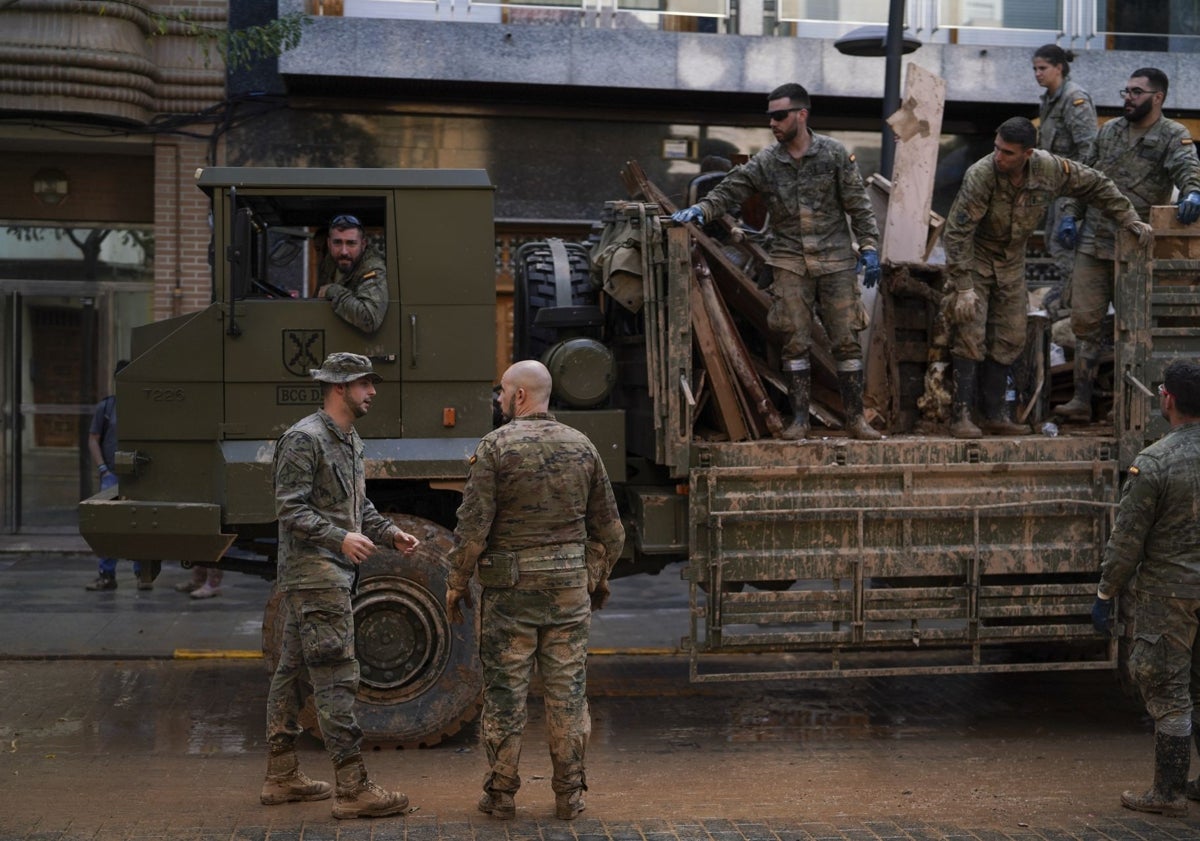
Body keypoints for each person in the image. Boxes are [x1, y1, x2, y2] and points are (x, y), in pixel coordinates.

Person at [445, 360, 624, 822]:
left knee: (506, 693)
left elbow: (474, 528)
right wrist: (595, 575)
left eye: (503, 392)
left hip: (511, 593)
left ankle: (501, 794)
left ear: (519, 396)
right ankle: (570, 795)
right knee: (567, 692)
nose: (499, 399)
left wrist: (457, 582)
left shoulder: (495, 447)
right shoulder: (582, 446)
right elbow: (611, 530)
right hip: (568, 591)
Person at [670, 82, 883, 441]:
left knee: (846, 341)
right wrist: (700, 210)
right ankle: (799, 420)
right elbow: (729, 190)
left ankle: (856, 420)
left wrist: (869, 247)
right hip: (789, 262)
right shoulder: (767, 161)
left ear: (802, 115)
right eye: (769, 117)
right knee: (794, 341)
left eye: (779, 116)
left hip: (835, 261)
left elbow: (858, 205)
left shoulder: (833, 154)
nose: (773, 123)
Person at [264, 352, 420, 819]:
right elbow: (289, 509)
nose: (372, 391)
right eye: (363, 384)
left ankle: (281, 775)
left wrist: (388, 532)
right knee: (336, 675)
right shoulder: (303, 439)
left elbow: (355, 505)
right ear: (338, 388)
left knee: (292, 671)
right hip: (315, 574)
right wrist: (340, 538)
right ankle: (352, 788)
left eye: (371, 383)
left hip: (327, 573)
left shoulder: (349, 439)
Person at [941, 116, 1151, 439]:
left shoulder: (1050, 169)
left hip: (1012, 260)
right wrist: (963, 286)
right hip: (976, 258)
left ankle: (996, 413)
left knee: (1011, 335)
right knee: (969, 331)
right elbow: (956, 233)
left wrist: (1128, 218)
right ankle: (962, 416)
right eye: (996, 148)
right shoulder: (981, 174)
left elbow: (1096, 184)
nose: (999, 157)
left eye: (1007, 153)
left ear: (1028, 153)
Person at [1053, 68, 1200, 422]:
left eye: (1136, 92)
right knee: (1085, 322)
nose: (1128, 97)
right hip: (1094, 240)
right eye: (1126, 90)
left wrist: (1193, 191)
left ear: (1157, 97)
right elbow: (1084, 176)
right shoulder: (1110, 132)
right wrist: (1070, 214)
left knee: (1134, 327)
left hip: (1136, 246)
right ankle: (1081, 400)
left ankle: (1129, 406)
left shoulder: (1172, 134)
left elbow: (1186, 168)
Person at [1091, 358, 1200, 817]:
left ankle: (1169, 792)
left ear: (1168, 399)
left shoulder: (1154, 462)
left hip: (1170, 594)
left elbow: (1128, 539)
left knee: (1170, 688)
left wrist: (1105, 592)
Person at [1032, 44, 1097, 312]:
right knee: (1053, 242)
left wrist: (1077, 194)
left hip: (1071, 186)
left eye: (1042, 68)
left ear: (1059, 67)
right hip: (1054, 186)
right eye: (1034, 69)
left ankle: (1077, 304)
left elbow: (1089, 149)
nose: (1037, 74)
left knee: (1065, 246)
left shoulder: (1074, 98)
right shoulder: (1049, 99)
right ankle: (1070, 295)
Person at [85, 360, 145, 591]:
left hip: (138, 475)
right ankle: (107, 574)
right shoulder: (107, 407)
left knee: (139, 524)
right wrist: (103, 468)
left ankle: (142, 573)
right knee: (108, 526)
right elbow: (93, 439)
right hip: (112, 475)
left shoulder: (142, 406)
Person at [315, 214, 388, 332]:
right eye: (337, 242)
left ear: (363, 244)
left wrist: (333, 291)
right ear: (329, 243)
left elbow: (369, 319)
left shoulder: (372, 269)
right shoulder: (330, 261)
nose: (344, 251)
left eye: (351, 243)